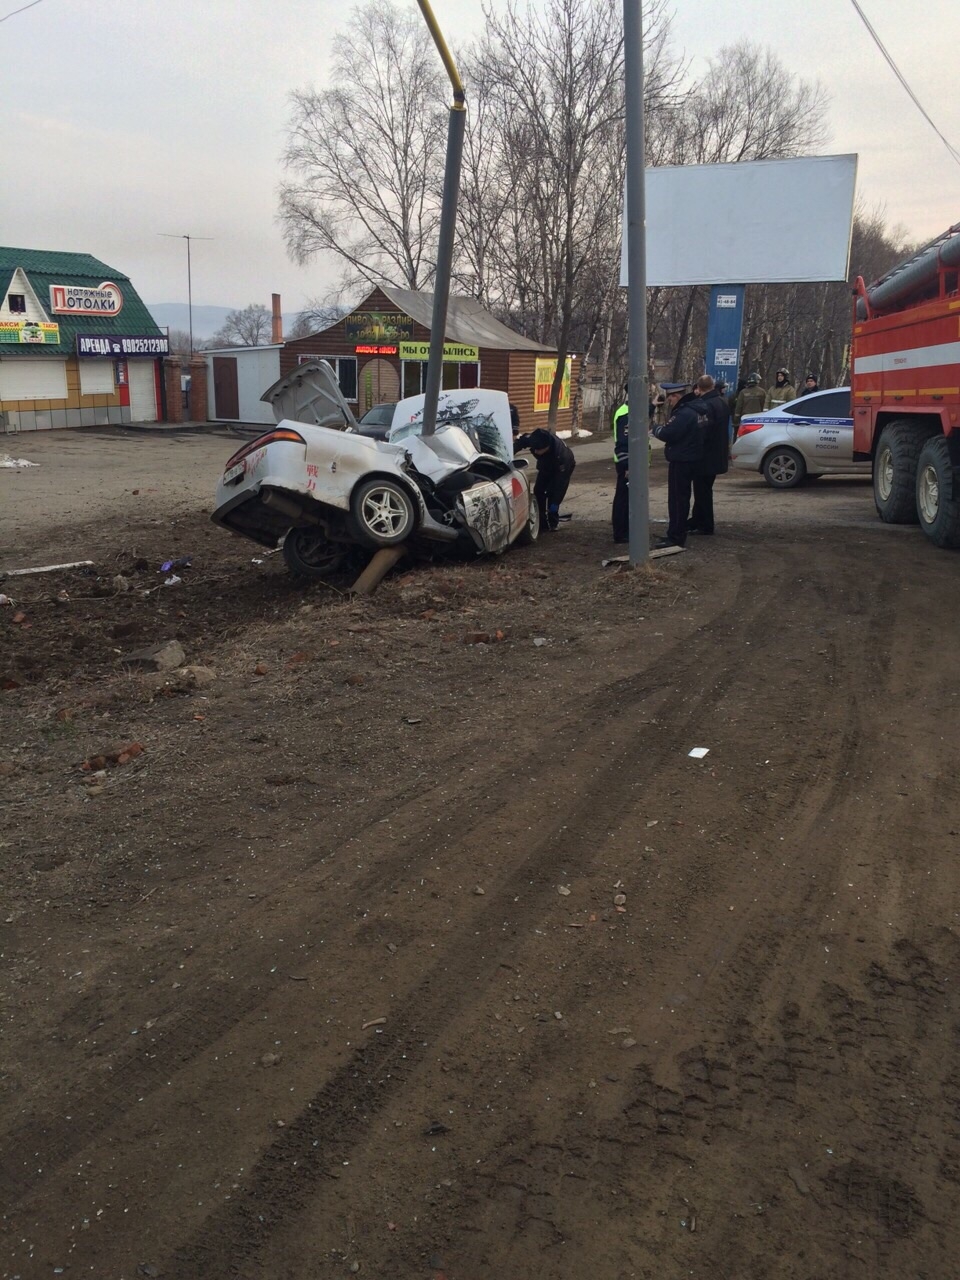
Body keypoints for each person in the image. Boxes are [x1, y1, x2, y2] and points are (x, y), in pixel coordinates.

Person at [650, 381, 706, 549]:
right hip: (691, 458)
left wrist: (656, 429)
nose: (669, 402)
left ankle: (675, 536)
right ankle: (675, 533)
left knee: (677, 500)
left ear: (676, 396)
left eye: (670, 398)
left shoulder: (684, 413)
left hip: (681, 460)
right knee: (681, 499)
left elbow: (669, 433)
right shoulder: (698, 409)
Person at [688, 374, 730, 536]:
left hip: (705, 455)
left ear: (699, 388)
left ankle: (705, 524)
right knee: (704, 489)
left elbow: (703, 431)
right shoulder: (721, 402)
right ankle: (697, 519)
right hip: (717, 453)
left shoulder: (706, 405)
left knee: (702, 491)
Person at [514, 426, 576, 530]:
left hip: (561, 469)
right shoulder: (535, 439)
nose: (536, 452)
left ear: (547, 447)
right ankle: (541, 521)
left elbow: (561, 484)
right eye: (535, 449)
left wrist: (556, 502)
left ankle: (553, 522)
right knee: (538, 490)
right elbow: (520, 443)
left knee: (553, 493)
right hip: (545, 466)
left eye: (539, 450)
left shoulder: (561, 457)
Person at [612, 409, 629, 543]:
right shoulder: (626, 415)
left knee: (628, 499)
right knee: (623, 499)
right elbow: (623, 443)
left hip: (630, 463)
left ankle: (625, 530)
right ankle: (621, 533)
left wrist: (652, 406)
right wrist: (628, 466)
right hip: (627, 464)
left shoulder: (632, 411)